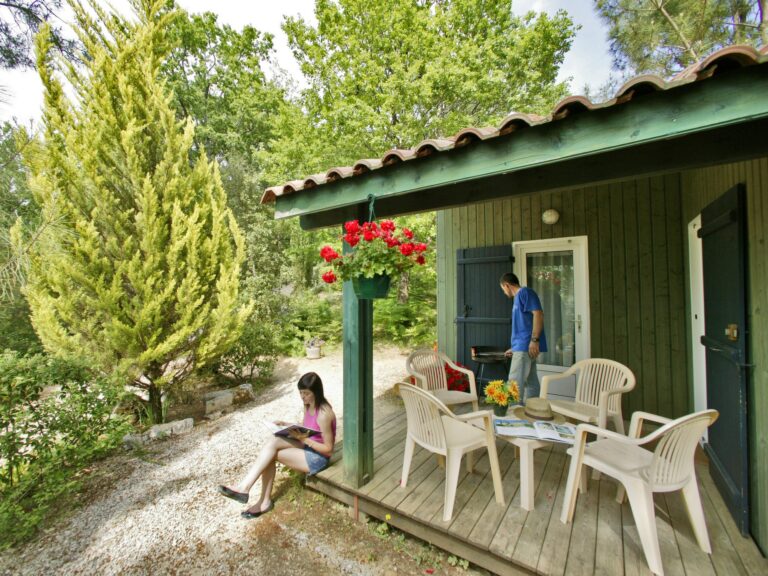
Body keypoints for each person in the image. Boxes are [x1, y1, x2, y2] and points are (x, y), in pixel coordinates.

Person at [217, 372, 336, 518]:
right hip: (307, 445)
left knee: (270, 455)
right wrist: (287, 425)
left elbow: (329, 450)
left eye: (306, 393)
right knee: (273, 441)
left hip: (318, 457)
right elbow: (308, 427)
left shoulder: (324, 414)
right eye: (301, 393)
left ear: (316, 392)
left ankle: (261, 499)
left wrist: (303, 439)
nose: (303, 397)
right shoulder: (308, 404)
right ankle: (246, 488)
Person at [500, 272, 547, 403]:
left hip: (527, 345)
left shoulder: (525, 292)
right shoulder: (518, 298)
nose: (504, 292)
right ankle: (534, 409)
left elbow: (538, 314)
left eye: (503, 289)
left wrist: (535, 340)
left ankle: (513, 417)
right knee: (530, 381)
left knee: (514, 383)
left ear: (507, 285)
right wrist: (515, 348)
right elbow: (523, 325)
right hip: (523, 346)